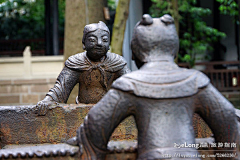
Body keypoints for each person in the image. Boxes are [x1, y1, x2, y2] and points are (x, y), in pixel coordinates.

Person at [70, 14, 239, 159]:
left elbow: (95, 125)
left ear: (135, 53)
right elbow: (229, 120)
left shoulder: (129, 86)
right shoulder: (196, 81)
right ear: (174, 49)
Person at [37, 21, 129, 115]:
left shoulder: (117, 62)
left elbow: (130, 85)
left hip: (109, 111)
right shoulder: (76, 62)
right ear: (84, 44)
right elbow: (61, 89)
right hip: (82, 111)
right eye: (93, 40)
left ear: (109, 44)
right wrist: (48, 100)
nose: (99, 43)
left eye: (104, 40)